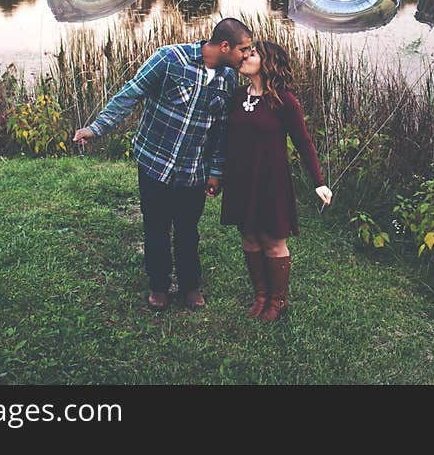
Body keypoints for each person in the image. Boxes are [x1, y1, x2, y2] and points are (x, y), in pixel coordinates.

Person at [72, 18, 253, 310]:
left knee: (187, 230)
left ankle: (190, 285)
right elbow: (131, 93)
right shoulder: (169, 58)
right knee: (155, 226)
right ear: (224, 46)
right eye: (243, 49)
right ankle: (159, 286)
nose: (247, 55)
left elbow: (221, 131)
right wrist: (97, 128)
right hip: (154, 162)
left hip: (193, 170)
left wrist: (216, 172)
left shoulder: (228, 79)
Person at [220, 40, 332, 322]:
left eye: (252, 53)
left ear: (267, 62)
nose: (244, 56)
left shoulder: (284, 101)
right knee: (248, 236)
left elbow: (303, 142)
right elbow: (225, 139)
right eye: (244, 52)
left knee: (272, 240)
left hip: (271, 181)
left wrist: (319, 181)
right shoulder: (236, 96)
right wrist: (217, 174)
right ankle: (260, 295)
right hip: (240, 179)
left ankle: (277, 300)